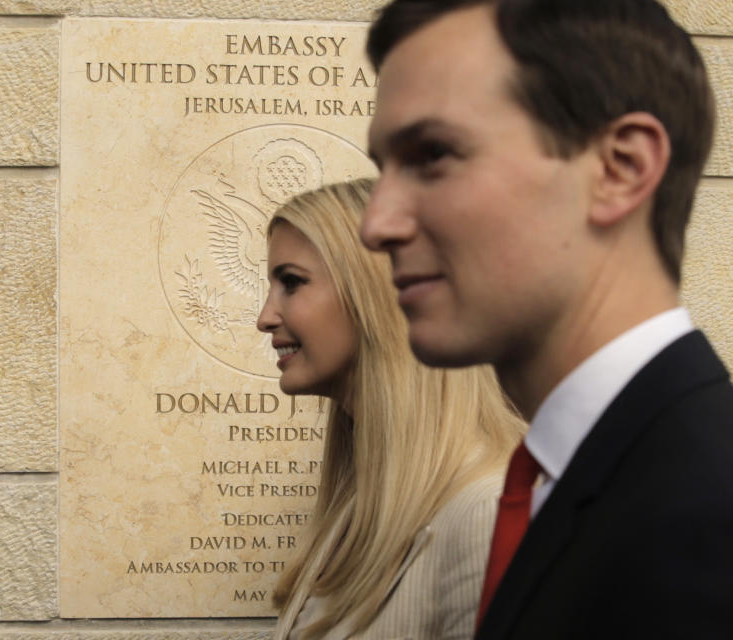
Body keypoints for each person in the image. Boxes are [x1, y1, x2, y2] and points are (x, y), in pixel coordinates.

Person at [361, 1, 733, 638]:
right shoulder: (584, 473)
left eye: (432, 155)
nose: (377, 225)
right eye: (381, 170)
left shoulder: (706, 513)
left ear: (620, 168)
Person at [256, 179, 525, 639]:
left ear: (381, 292)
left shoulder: (489, 514)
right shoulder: (356, 510)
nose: (265, 317)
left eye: (292, 283)